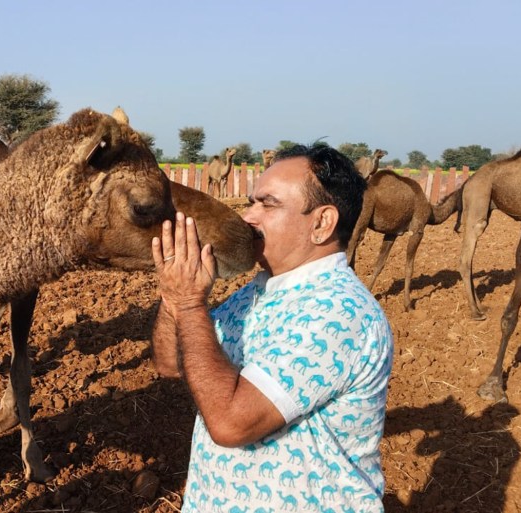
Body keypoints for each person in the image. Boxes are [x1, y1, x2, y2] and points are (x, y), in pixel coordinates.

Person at [150, 144, 394, 513]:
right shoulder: (252, 295)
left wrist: (190, 303)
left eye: (268, 204)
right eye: (252, 202)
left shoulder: (338, 312)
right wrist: (174, 298)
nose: (247, 216)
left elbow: (232, 423)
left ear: (322, 223)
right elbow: (171, 364)